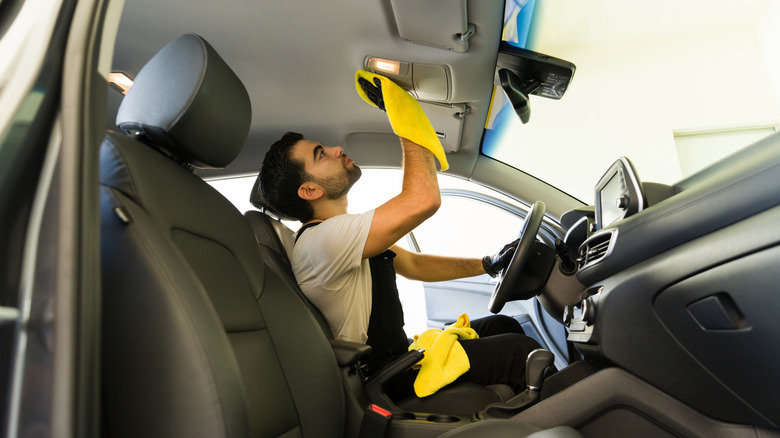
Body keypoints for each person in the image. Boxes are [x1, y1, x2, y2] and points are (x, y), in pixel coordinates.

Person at [257, 71, 543, 398]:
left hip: (399, 358)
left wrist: (489, 264)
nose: (336, 149)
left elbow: (414, 265)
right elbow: (422, 199)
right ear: (309, 190)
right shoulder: (321, 242)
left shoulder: (338, 236)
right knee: (520, 353)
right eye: (321, 154)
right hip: (385, 379)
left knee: (502, 326)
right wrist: (402, 112)